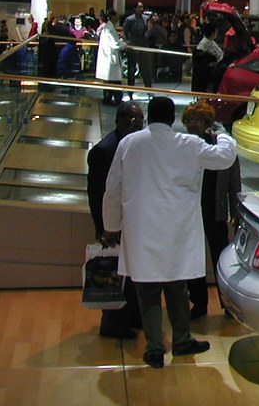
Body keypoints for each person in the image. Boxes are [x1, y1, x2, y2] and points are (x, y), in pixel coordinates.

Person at [102, 96, 237, 368]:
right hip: (177, 230)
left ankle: (154, 348)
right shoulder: (188, 144)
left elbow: (112, 188)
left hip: (140, 231)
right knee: (177, 286)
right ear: (172, 119)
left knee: (147, 292)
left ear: (149, 117)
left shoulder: (129, 143)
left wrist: (111, 225)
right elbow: (225, 158)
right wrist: (222, 134)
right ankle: (182, 340)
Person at [86, 103, 145, 339]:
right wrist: (103, 227)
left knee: (130, 276)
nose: (140, 123)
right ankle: (111, 323)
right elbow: (96, 193)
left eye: (141, 118)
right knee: (112, 275)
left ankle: (130, 317)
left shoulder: (134, 146)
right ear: (123, 120)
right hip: (113, 225)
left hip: (131, 222)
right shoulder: (105, 149)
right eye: (136, 119)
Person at [182, 101, 240, 319]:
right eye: (189, 121)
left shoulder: (221, 146)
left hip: (215, 209)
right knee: (192, 257)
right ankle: (198, 303)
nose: (193, 125)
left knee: (220, 257)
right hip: (190, 211)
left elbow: (234, 181)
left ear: (208, 123)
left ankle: (227, 304)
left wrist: (235, 210)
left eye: (198, 121)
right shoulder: (184, 145)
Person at [95, 10, 126, 105]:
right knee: (114, 81)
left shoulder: (108, 27)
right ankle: (115, 99)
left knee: (110, 81)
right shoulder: (109, 28)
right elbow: (116, 43)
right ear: (112, 16)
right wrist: (124, 43)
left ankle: (109, 98)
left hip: (109, 58)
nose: (118, 17)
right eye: (117, 15)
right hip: (110, 59)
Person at [122, 2, 153, 90]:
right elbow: (124, 31)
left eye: (142, 7)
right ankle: (130, 91)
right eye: (139, 7)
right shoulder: (129, 19)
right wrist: (127, 41)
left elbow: (148, 31)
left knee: (146, 70)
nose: (141, 9)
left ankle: (149, 89)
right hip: (133, 48)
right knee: (131, 70)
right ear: (135, 9)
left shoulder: (146, 19)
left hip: (143, 47)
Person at [191, 22, 223, 92]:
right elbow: (199, 58)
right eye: (216, 31)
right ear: (212, 32)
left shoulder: (210, 41)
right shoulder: (204, 43)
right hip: (207, 74)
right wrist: (211, 62)